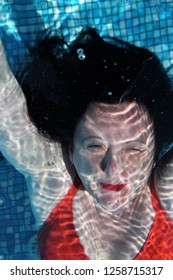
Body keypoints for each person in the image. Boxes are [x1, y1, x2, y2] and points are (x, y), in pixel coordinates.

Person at [0, 27, 173, 260]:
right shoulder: (54, 178)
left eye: (133, 149)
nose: (113, 169)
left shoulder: (167, 192)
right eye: (94, 146)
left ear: (155, 151)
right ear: (71, 147)